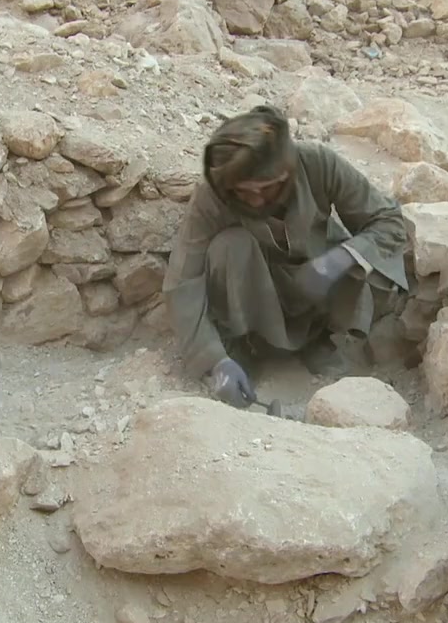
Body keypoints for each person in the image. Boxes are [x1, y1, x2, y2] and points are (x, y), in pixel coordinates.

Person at [162, 105, 408, 409]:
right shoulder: (213, 195)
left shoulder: (317, 163)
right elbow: (183, 279)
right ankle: (243, 349)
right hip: (260, 294)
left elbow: (388, 221)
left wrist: (338, 260)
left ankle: (322, 341)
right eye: (244, 191)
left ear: (286, 173)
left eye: (265, 189)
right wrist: (215, 361)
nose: (255, 200)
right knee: (229, 247)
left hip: (317, 286)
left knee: (359, 256)